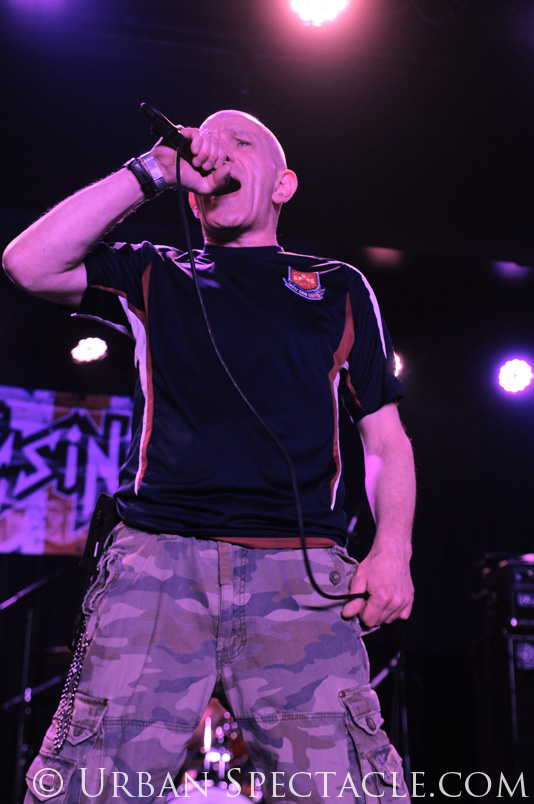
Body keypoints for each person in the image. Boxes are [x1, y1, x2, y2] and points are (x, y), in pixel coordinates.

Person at [3, 108, 415, 803]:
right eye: (206, 144)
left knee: (347, 791)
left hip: (299, 575)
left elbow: (386, 439)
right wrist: (153, 171)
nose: (217, 152)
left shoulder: (338, 286)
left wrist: (392, 550)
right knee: (89, 788)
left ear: (282, 184)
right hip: (158, 567)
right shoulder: (154, 270)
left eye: (240, 142)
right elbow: (28, 263)